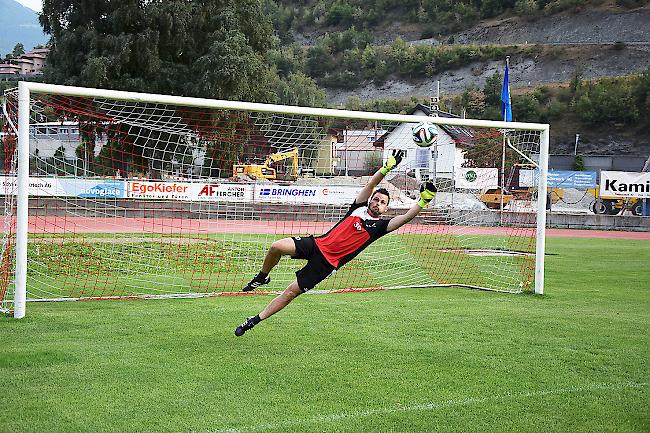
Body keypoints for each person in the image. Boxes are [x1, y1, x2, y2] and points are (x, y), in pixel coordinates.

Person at [234, 149, 437, 336]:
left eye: (382, 203)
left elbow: (406, 218)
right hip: (316, 244)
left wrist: (422, 201)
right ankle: (262, 277)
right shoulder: (357, 208)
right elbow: (370, 185)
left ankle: (253, 321)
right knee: (277, 246)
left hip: (326, 265)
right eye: (375, 200)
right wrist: (386, 167)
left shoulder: (380, 228)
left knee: (289, 294)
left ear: (386, 209)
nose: (377, 203)